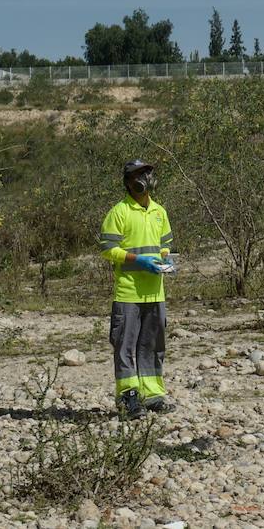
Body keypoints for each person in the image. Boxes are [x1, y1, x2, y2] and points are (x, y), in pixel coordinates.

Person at [98, 158, 176, 419]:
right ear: (128, 182)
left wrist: (166, 258)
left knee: (153, 345)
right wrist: (136, 260)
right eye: (138, 174)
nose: (144, 178)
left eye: (147, 173)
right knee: (125, 347)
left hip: (155, 292)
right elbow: (108, 249)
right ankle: (128, 398)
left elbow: (164, 244)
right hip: (128, 293)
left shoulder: (159, 212)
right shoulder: (119, 212)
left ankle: (153, 395)